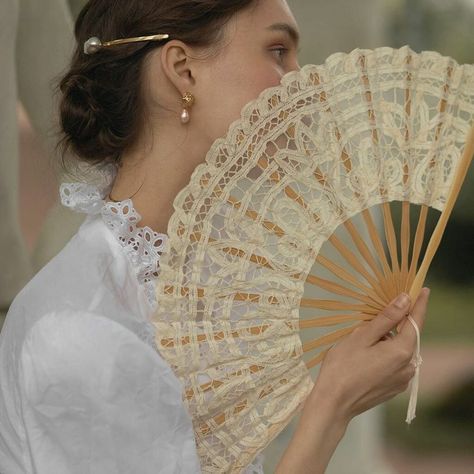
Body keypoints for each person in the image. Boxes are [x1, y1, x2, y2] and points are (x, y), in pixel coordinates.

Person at [0, 0, 430, 472]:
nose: (302, 83)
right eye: (278, 50)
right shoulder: (83, 330)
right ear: (184, 71)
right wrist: (332, 407)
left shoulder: (185, 291)